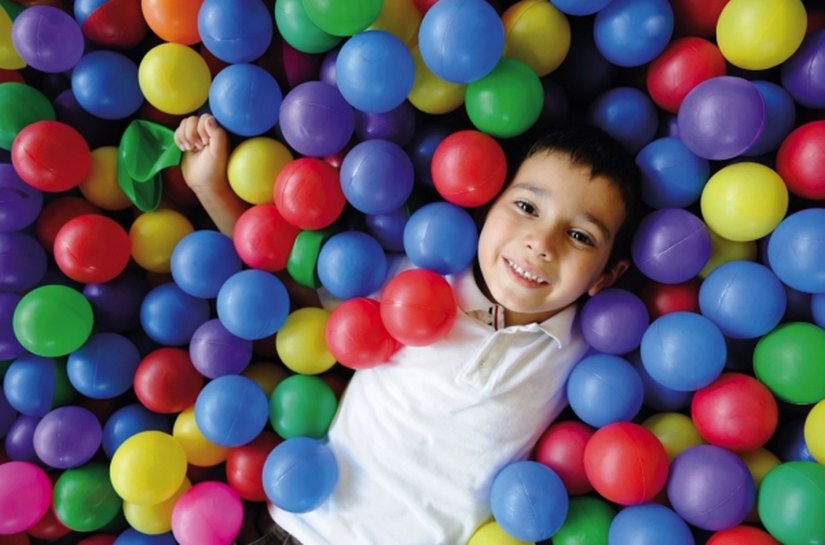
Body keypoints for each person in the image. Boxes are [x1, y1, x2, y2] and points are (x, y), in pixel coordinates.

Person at [174, 113, 642, 545]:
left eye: (580, 236)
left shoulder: (585, 349)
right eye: (526, 207)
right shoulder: (417, 281)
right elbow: (277, 297)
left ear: (606, 276)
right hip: (304, 530)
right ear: (485, 206)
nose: (541, 243)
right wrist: (210, 187)